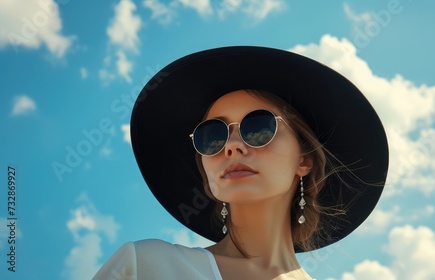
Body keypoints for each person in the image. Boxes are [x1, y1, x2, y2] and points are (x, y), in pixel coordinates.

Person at [92, 46, 389, 279]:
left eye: (258, 127)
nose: (232, 146)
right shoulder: (145, 267)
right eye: (212, 136)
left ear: (304, 160)